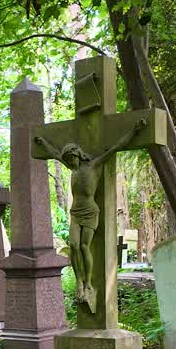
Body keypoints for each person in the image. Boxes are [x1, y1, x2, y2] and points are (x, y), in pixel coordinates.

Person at [34, 118, 147, 311]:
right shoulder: (72, 168)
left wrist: (135, 130)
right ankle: (79, 281)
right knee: (73, 245)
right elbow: (53, 153)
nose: (69, 162)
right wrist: (43, 142)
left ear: (78, 155)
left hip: (90, 212)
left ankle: (87, 283)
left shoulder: (93, 165)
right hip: (75, 213)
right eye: (67, 160)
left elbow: (116, 147)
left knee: (85, 246)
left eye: (71, 158)